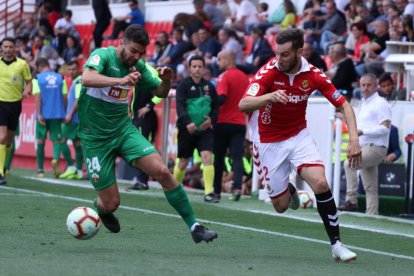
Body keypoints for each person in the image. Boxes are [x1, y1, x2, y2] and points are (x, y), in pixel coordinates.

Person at [78, 24, 217, 243]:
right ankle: (101, 209)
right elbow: (87, 78)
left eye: (141, 53)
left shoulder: (139, 67)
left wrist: (167, 80)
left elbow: (160, 92)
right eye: (133, 51)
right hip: (95, 139)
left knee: (162, 171)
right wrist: (120, 81)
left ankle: (195, 226)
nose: (137, 57)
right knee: (112, 203)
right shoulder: (102, 55)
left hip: (124, 131)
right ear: (121, 43)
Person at [238, 28, 361, 262]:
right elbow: (243, 104)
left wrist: (354, 139)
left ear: (299, 52)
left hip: (298, 135)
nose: (279, 59)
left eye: (285, 54)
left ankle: (336, 244)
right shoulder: (268, 73)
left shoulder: (313, 75)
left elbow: (344, 105)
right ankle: (290, 190)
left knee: (321, 182)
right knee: (281, 206)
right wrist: (270, 97)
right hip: (267, 141)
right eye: (277, 53)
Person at [339, 73, 392, 215]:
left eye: (369, 85)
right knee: (370, 187)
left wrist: (364, 131)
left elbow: (385, 128)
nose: (365, 88)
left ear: (376, 86)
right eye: (363, 85)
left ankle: (351, 201)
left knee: (349, 163)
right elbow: (358, 126)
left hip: (376, 147)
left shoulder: (380, 103)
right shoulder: (363, 103)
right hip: (367, 147)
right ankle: (372, 216)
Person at [173, 55, 219, 202]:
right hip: (187, 130)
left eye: (200, 66)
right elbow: (179, 106)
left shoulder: (210, 87)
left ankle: (208, 193)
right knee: (183, 162)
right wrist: (188, 122)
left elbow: (216, 107)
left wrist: (211, 119)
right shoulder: (183, 85)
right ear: (189, 68)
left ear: (204, 68)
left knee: (207, 158)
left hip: (205, 131)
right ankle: (174, 188)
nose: (197, 69)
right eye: (194, 66)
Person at [207, 50, 249, 203]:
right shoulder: (245, 77)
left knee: (218, 159)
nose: (217, 63)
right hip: (239, 123)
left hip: (223, 122)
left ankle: (216, 193)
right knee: (237, 157)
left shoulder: (225, 76)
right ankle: (237, 188)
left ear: (227, 60)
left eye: (219, 59)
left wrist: (209, 103)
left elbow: (222, 98)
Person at [0, 37, 32, 185]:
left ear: (14, 48)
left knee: (9, 139)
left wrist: (27, 91)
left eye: (10, 47)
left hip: (14, 105)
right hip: (1, 103)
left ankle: (4, 165)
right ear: (2, 48)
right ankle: (0, 172)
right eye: (5, 47)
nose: (8, 49)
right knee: (2, 137)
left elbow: (29, 82)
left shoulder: (22, 64)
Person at [127, 62, 163, 190]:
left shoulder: (148, 70)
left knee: (141, 149)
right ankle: (142, 179)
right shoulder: (136, 70)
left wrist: (149, 106)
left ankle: (143, 180)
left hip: (144, 118)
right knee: (139, 148)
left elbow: (162, 89)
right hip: (138, 117)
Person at [33, 58, 68, 178]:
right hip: (57, 113)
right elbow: (65, 96)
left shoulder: (37, 78)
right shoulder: (60, 78)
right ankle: (55, 159)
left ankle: (40, 170)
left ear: (39, 67)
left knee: (40, 141)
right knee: (56, 140)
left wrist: (39, 114)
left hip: (43, 114)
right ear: (48, 65)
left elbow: (38, 96)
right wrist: (63, 111)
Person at [58, 61, 84, 180]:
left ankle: (70, 166)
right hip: (78, 118)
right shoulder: (77, 81)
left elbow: (79, 100)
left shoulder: (79, 81)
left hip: (73, 118)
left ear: (79, 70)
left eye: (74, 69)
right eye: (69, 69)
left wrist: (69, 115)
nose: (71, 71)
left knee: (61, 139)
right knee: (77, 143)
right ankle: (79, 171)